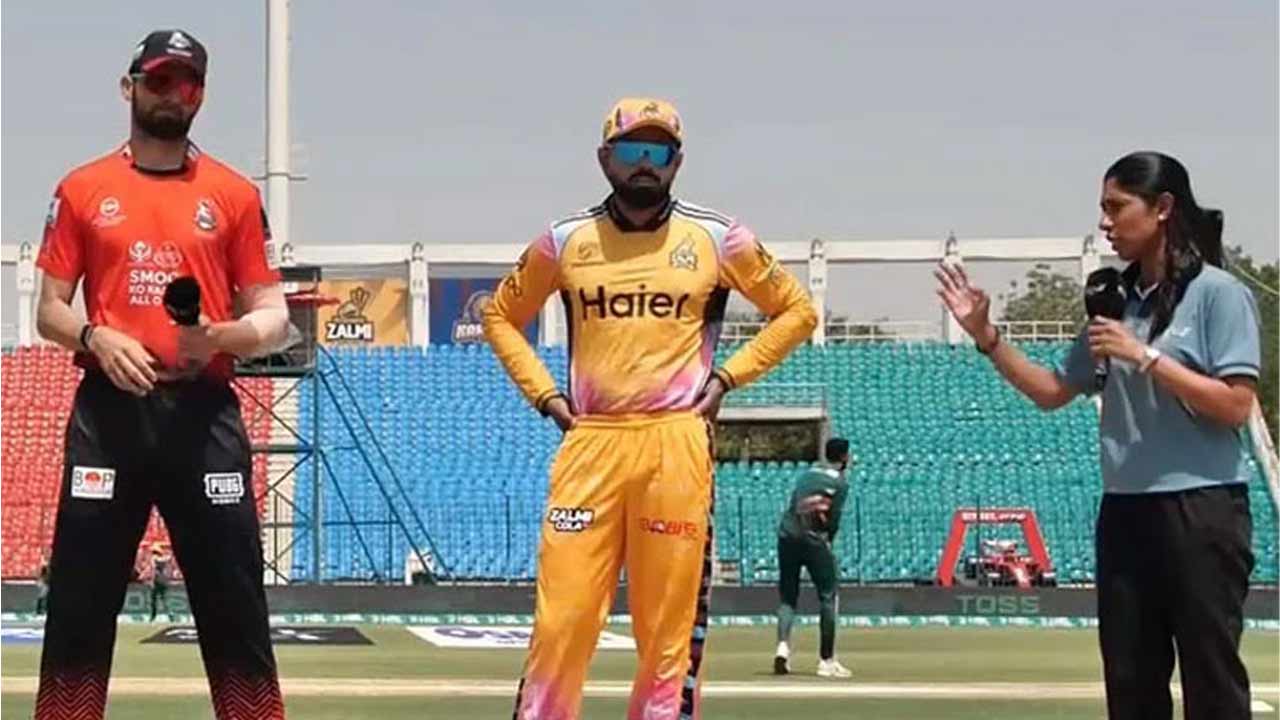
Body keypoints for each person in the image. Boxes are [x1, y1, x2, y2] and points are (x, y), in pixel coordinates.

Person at [484, 97, 818, 719]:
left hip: (675, 442)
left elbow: (798, 311)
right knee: (561, 623)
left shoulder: (718, 237)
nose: (645, 164)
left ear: (677, 162)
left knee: (668, 634)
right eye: (632, 150)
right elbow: (499, 314)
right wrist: (546, 396)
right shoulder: (565, 240)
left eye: (658, 152)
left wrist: (728, 378)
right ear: (604, 159)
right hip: (591, 441)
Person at [935, 151, 1259, 720]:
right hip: (1126, 512)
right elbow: (1051, 391)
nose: (1105, 223)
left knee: (1211, 681)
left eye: (1116, 207)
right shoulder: (1112, 304)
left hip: (1203, 509)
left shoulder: (1217, 293)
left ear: (1162, 208)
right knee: (1130, 683)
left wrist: (1145, 356)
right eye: (1102, 209)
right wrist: (987, 336)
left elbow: (1236, 405)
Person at [33, 30, 289, 720]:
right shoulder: (82, 189)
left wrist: (219, 337)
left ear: (201, 96)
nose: (173, 94)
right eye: (160, 79)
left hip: (203, 414)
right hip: (109, 415)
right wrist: (97, 335)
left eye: (188, 83)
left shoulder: (234, 195)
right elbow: (48, 311)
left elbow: (272, 314)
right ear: (130, 87)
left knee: (235, 603)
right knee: (80, 604)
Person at [774, 438, 853, 678]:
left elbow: (793, 504)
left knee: (788, 597)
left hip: (787, 535)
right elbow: (834, 518)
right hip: (813, 540)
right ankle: (826, 660)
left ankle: (782, 648)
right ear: (844, 457)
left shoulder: (806, 475)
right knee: (828, 596)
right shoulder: (840, 483)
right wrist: (828, 540)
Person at [149, 545, 172, 622]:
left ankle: (153, 616)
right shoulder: (164, 559)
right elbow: (167, 560)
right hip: (163, 580)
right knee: (164, 599)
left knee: (153, 600)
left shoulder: (154, 558)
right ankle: (170, 614)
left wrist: (152, 581)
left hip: (157, 580)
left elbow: (153, 569)